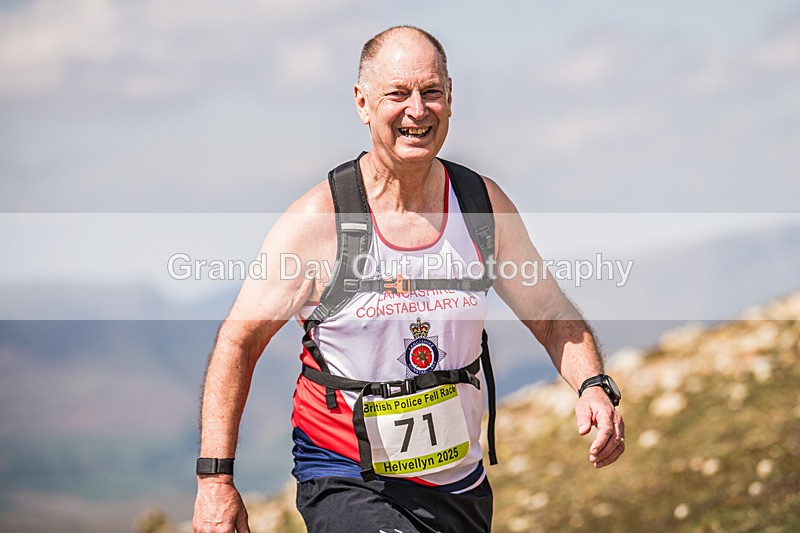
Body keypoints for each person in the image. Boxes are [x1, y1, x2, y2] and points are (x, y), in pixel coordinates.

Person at [192, 25, 625, 533]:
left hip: (459, 484)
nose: (416, 110)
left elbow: (552, 317)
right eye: (397, 94)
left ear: (450, 98)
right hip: (347, 477)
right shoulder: (318, 221)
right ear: (362, 102)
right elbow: (238, 342)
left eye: (431, 92)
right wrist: (215, 482)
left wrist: (593, 385)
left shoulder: (481, 207)